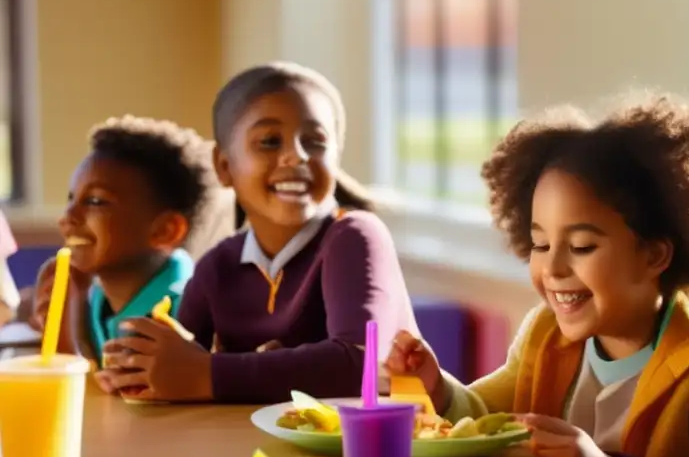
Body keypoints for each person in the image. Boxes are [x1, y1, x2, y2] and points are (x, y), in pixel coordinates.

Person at [387, 94, 689, 457]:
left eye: (583, 247)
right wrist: (438, 388)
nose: (552, 269)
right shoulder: (546, 333)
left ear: (654, 255)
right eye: (540, 245)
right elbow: (488, 420)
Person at [100, 62, 418, 403]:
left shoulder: (353, 236)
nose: (296, 156)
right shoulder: (217, 267)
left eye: (314, 141)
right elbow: (183, 362)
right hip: (262, 450)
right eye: (269, 141)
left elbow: (360, 365)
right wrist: (139, 371)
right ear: (224, 166)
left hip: (378, 451)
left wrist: (207, 374)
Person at [35, 116, 212, 364]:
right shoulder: (94, 297)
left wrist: (69, 329)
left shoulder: (192, 312)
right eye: (71, 199)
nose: (67, 217)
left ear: (164, 231)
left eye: (96, 201)